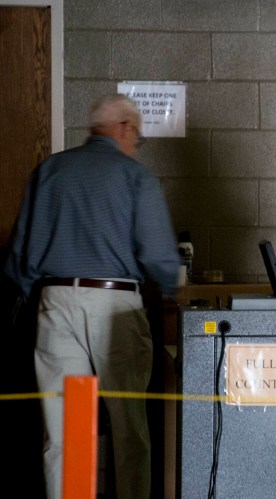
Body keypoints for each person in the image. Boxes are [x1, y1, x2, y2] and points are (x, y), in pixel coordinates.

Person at [4, 94, 180, 499]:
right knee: (128, 429)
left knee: (68, 430)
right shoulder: (135, 177)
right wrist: (171, 290)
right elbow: (158, 255)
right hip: (114, 307)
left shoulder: (49, 171)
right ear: (123, 127)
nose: (135, 144)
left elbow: (21, 257)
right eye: (136, 134)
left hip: (57, 303)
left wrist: (37, 295)